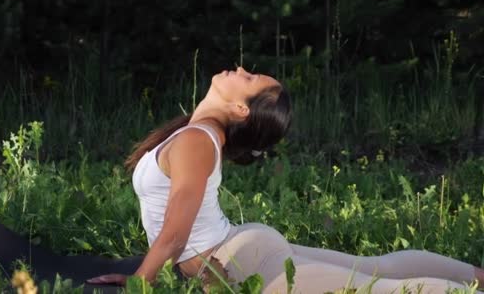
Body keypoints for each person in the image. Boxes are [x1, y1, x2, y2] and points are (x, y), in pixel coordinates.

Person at [87, 67, 483, 293]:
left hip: (240, 263)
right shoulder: (198, 137)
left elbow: (175, 235)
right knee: (375, 270)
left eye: (250, 76)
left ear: (241, 108)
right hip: (242, 250)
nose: (240, 69)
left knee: (377, 287)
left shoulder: (195, 141)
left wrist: (140, 282)